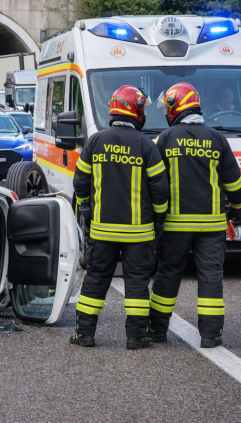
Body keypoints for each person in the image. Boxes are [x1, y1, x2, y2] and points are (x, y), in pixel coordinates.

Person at [71, 85, 169, 350]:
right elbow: (160, 189)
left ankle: (84, 334)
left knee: (95, 280)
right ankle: (136, 337)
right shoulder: (146, 145)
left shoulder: (95, 141)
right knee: (137, 283)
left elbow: (80, 182)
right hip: (139, 233)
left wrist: (86, 210)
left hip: (102, 231)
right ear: (137, 112)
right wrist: (159, 219)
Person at [148, 82, 241, 348]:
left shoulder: (165, 139)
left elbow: (154, 181)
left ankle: (156, 331)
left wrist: (154, 217)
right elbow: (234, 182)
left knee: (168, 274)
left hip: (175, 225)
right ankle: (211, 335)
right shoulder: (217, 138)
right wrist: (236, 210)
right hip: (212, 226)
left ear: (176, 108)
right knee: (211, 276)